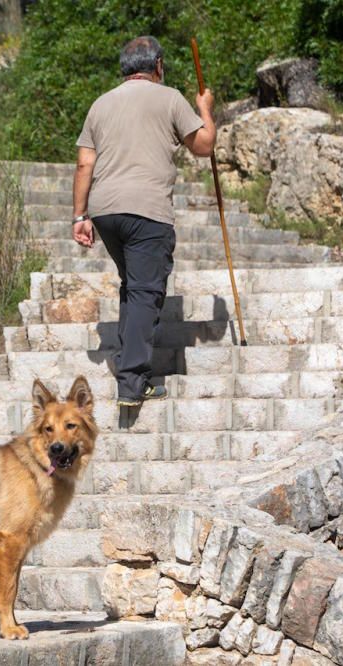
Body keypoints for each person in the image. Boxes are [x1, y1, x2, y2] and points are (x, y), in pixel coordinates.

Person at [72, 35, 216, 407]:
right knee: (145, 291)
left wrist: (79, 216)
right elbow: (204, 146)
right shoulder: (169, 98)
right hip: (146, 210)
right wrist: (205, 109)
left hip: (105, 212)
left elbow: (85, 163)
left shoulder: (100, 104)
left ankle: (131, 367)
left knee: (134, 286)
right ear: (158, 66)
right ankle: (132, 384)